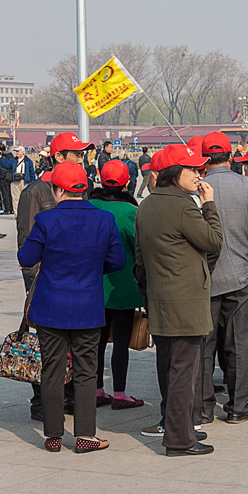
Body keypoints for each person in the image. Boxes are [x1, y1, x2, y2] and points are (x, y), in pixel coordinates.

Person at [18, 161, 125, 453]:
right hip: (88, 305)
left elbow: (26, 258)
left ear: (57, 190)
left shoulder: (46, 221)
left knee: (52, 369)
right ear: (84, 189)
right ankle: (85, 435)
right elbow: (118, 261)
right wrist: (92, 271)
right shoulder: (103, 220)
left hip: (50, 305)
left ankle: (53, 435)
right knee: (87, 370)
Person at [135, 144, 222, 456]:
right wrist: (209, 205)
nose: (198, 175)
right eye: (192, 170)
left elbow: (140, 259)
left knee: (174, 369)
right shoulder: (184, 206)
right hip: (185, 301)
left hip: (160, 299)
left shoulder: (146, 205)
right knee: (185, 373)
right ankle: (179, 439)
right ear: (175, 173)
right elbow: (213, 241)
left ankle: (181, 433)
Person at [16, 131, 94, 421]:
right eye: (76, 154)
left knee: (76, 345)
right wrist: (34, 280)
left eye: (83, 154)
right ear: (58, 156)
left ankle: (71, 396)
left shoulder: (80, 187)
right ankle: (42, 403)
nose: (81, 159)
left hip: (79, 280)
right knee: (46, 347)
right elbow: (26, 240)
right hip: (45, 282)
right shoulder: (35, 192)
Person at [197, 132, 248, 422]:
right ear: (231, 156)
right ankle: (239, 405)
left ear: (205, 159)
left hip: (206, 278)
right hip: (242, 276)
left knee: (204, 345)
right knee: (239, 344)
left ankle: (204, 408)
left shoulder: (197, 190)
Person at [89, 160, 146, 409]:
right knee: (121, 342)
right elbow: (139, 246)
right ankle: (120, 393)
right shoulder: (130, 212)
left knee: (97, 342)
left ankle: (97, 389)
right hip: (123, 285)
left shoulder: (89, 206)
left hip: (94, 285)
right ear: (126, 183)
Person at [10, 145, 36, 214]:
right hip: (15, 181)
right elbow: (5, 165)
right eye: (16, 151)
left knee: (25, 198)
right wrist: (0, 157)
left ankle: (24, 213)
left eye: (18, 151)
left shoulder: (28, 161)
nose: (17, 153)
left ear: (23, 152)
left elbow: (32, 172)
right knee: (15, 198)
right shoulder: (13, 160)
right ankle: (16, 214)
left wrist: (33, 183)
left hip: (24, 181)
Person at [0, 145, 15, 215]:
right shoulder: (10, 156)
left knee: (5, 194)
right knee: (10, 193)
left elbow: (2, 168)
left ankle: (7, 208)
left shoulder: (2, 157)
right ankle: (11, 208)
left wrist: (0, 177)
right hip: (9, 177)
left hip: (4, 178)